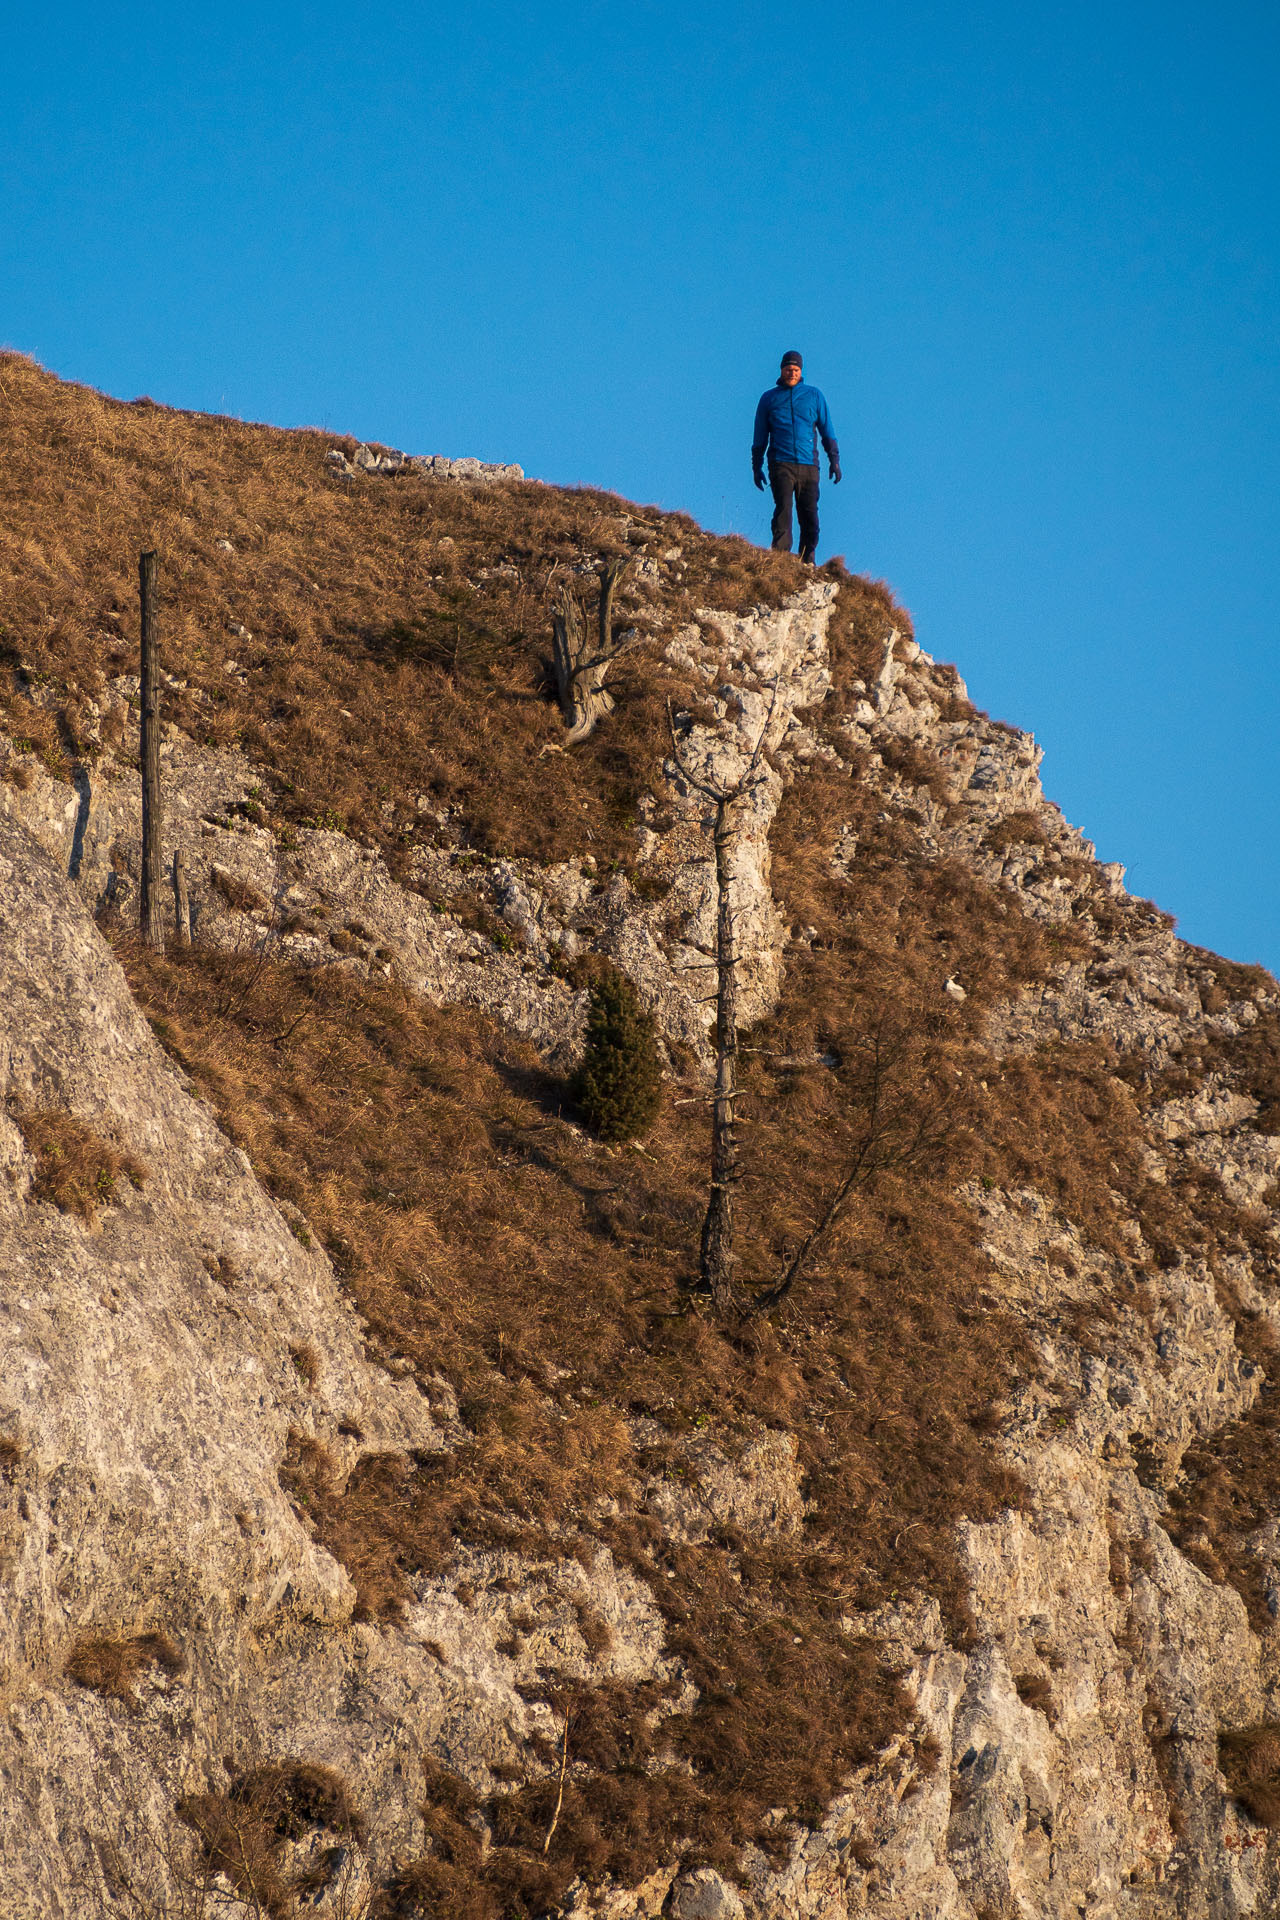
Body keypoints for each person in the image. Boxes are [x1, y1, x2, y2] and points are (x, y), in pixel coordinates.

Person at [751, 350, 841, 563]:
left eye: (796, 370)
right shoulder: (769, 399)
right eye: (788, 369)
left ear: (801, 372)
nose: (792, 373)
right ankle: (781, 558)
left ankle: (807, 558)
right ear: (781, 370)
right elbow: (760, 434)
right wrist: (757, 466)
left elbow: (827, 429)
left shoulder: (814, 396)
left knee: (810, 515)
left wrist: (834, 460)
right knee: (783, 510)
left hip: (809, 465)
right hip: (780, 463)